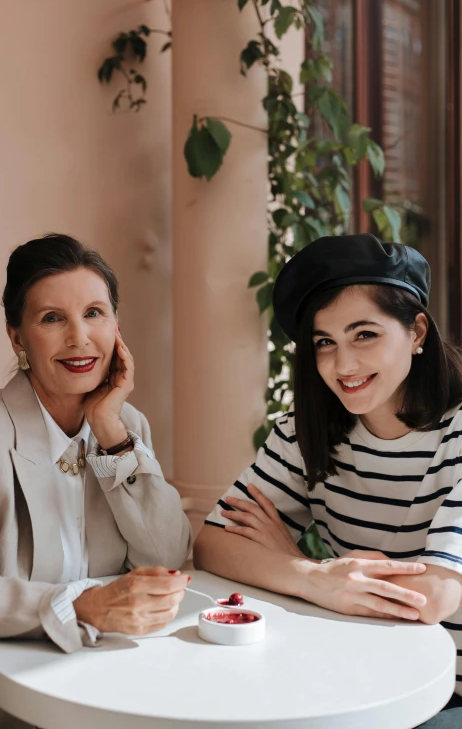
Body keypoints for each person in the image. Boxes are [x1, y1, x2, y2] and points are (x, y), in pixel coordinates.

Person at [194, 234, 462, 728]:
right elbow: (212, 543)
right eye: (325, 343)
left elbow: (435, 599)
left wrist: (295, 561)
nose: (343, 365)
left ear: (418, 331)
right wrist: (314, 577)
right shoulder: (307, 431)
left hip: (444, 695)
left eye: (365, 335)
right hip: (352, 677)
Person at [0, 233, 191, 729]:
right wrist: (80, 605)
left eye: (94, 313)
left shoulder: (126, 425)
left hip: (111, 681)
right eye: (52, 318)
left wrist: (113, 436)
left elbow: (166, 557)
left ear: (116, 326)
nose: (79, 338)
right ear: (17, 337)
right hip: (6, 698)